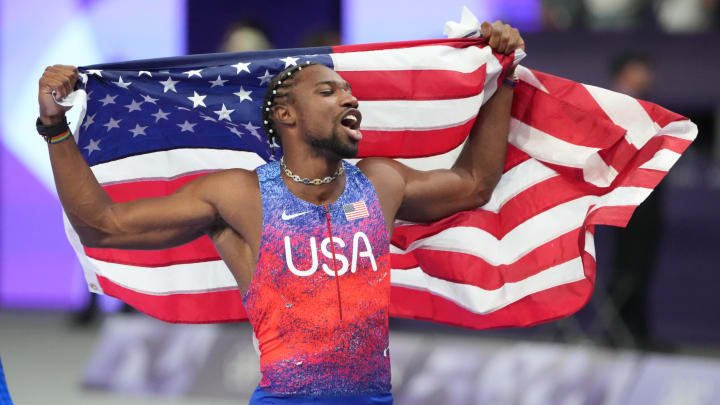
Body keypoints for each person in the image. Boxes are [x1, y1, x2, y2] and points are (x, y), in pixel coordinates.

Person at [36, 21, 524, 405]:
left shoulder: (380, 182)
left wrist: (502, 80)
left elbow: (475, 184)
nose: (350, 97)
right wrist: (55, 127)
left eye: (349, 91)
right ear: (286, 115)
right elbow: (103, 226)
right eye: (329, 92)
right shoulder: (239, 196)